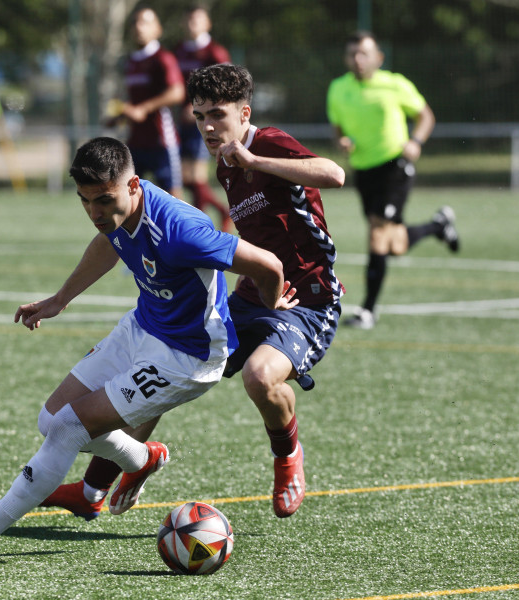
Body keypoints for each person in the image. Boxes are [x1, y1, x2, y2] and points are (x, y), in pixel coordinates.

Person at [0, 136, 295, 562]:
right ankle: (142, 458)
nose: (95, 212)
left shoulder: (181, 231)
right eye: (85, 201)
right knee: (50, 418)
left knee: (68, 428)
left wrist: (270, 302)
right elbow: (108, 245)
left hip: (187, 356)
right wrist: (60, 299)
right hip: (141, 326)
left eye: (104, 200)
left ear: (133, 186)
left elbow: (270, 265)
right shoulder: (117, 214)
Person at [42, 64, 345, 520]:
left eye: (217, 115)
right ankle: (90, 492)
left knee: (260, 378)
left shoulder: (265, 144)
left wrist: (256, 161)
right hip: (254, 291)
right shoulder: (224, 162)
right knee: (161, 365)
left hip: (307, 300)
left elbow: (334, 173)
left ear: (244, 114)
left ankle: (287, 457)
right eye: (199, 115)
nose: (207, 126)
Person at [327, 31, 459, 329]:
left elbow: (426, 116)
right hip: (364, 170)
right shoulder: (337, 88)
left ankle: (367, 311)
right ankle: (439, 225)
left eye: (364, 53)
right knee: (393, 243)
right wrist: (342, 141)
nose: (358, 60)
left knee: (377, 234)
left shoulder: (395, 84)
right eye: (352, 54)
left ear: (378, 58)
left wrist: (416, 141)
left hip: (394, 166)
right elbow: (337, 128)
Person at [111, 7, 185, 199]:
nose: (138, 27)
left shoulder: (163, 58)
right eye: (135, 22)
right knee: (128, 195)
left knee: (173, 198)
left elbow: (177, 92)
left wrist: (143, 109)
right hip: (136, 141)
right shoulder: (131, 62)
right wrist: (119, 116)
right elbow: (134, 101)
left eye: (145, 22)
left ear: (157, 29)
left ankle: (184, 230)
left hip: (161, 141)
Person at [174, 6, 232, 231]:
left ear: (207, 24)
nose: (192, 25)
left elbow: (227, 86)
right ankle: (220, 210)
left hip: (206, 123)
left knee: (196, 176)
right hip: (184, 124)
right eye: (188, 20)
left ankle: (199, 231)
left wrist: (200, 107)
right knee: (187, 178)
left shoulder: (214, 52)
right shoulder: (178, 51)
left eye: (197, 20)